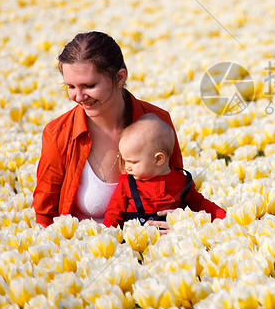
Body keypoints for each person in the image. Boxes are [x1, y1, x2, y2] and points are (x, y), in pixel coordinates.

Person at [33, 31, 182, 228]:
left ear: (120, 77)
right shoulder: (58, 134)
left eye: (89, 85)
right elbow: (45, 216)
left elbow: (180, 187)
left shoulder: (157, 123)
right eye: (70, 87)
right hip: (81, 250)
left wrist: (177, 218)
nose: (78, 97)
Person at [103, 114, 226, 227]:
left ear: (158, 159)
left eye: (133, 162)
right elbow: (114, 213)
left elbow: (200, 204)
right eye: (125, 161)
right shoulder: (127, 182)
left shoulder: (181, 181)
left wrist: (225, 218)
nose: (127, 167)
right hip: (137, 241)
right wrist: (109, 234)